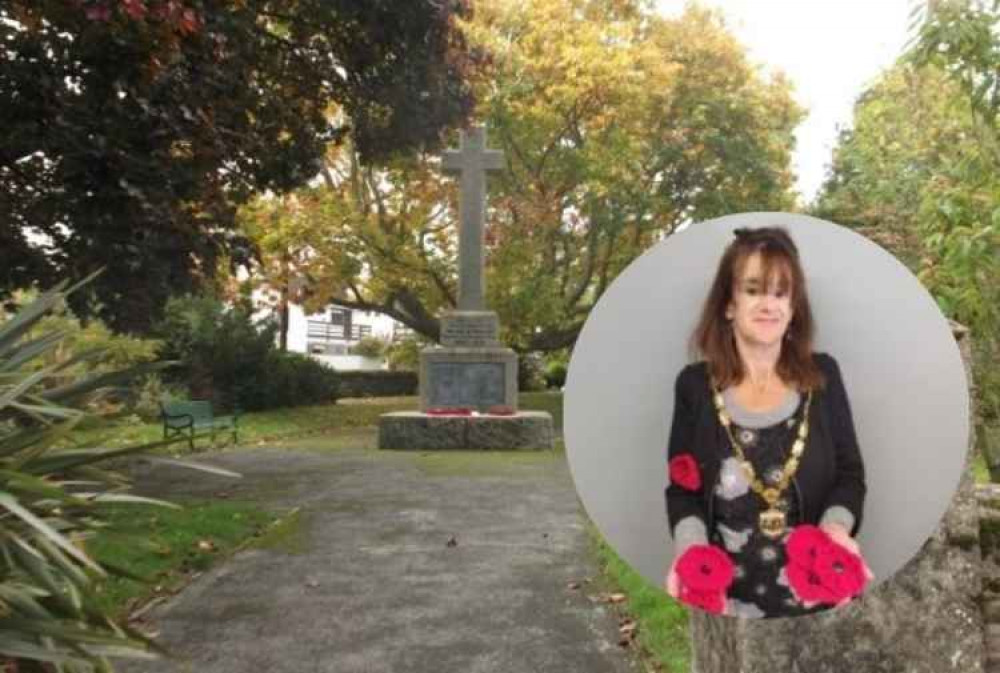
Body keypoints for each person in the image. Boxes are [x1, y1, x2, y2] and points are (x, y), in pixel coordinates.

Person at [662, 226, 872, 618]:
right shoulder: (693, 386)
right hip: (722, 602)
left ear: (793, 308)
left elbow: (849, 474)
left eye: (781, 293)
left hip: (819, 593)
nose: (768, 305)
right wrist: (690, 551)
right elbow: (682, 491)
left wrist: (836, 531)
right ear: (729, 303)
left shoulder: (823, 375)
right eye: (754, 290)